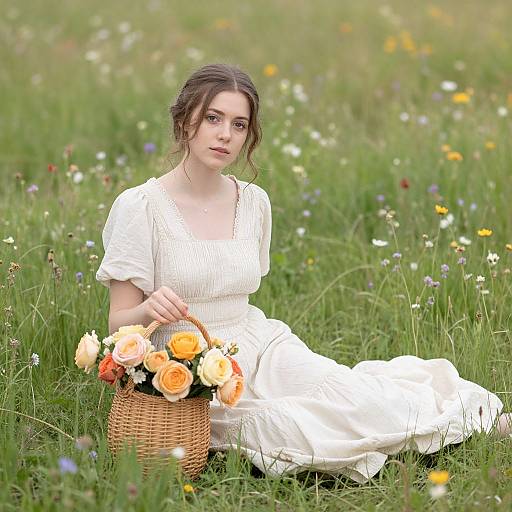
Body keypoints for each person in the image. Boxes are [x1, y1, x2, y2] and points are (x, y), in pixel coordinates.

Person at [96, 63, 510, 483]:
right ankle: (389, 442)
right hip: (190, 367)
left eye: (239, 125)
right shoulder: (141, 206)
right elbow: (117, 323)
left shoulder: (253, 202)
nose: (225, 134)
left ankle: (469, 414)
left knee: (352, 395)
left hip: (260, 344)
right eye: (213, 118)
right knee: (289, 427)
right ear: (185, 121)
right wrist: (148, 309)